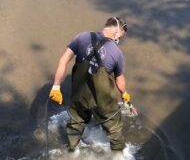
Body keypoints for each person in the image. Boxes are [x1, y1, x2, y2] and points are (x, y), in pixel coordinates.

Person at [48, 17, 131, 151]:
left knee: (75, 123)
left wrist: (56, 87)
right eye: (120, 37)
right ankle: (119, 159)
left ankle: (72, 151)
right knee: (114, 129)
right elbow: (119, 80)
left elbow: (63, 60)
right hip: (104, 101)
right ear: (116, 31)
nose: (118, 40)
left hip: (80, 96)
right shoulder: (116, 52)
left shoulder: (81, 37)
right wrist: (124, 93)